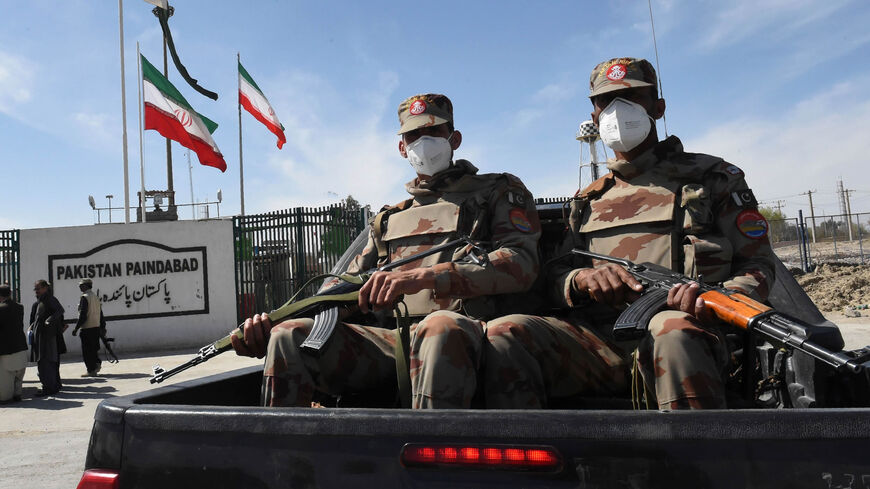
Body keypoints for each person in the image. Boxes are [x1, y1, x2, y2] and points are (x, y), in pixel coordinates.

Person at [485, 57, 776, 410]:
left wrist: (713, 302)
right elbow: (555, 274)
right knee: (505, 332)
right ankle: (527, 455)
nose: (618, 110)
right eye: (606, 102)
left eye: (633, 97)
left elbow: (758, 264)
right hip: (600, 342)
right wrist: (582, 278)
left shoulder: (713, 177)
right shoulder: (588, 199)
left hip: (693, 333)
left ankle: (699, 460)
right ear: (594, 116)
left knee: (672, 330)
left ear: (658, 107)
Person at [232, 93, 542, 408]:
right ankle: (286, 453)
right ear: (402, 147)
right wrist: (268, 323)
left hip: (476, 338)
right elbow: (339, 291)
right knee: (288, 335)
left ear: (455, 138)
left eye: (433, 132)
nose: (424, 141)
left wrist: (426, 277)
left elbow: (522, 263)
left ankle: (426, 453)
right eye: (413, 135)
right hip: (394, 344)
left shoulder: (496, 193)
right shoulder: (388, 220)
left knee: (439, 328)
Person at [29, 279, 66, 396]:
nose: (36, 291)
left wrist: (49, 320)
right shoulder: (41, 301)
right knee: (45, 361)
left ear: (45, 288)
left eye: (38, 289)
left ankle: (49, 387)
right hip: (42, 336)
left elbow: (60, 310)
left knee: (47, 362)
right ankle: (51, 386)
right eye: (35, 289)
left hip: (47, 337)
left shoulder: (49, 299)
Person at [72, 278, 106, 377]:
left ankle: (91, 370)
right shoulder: (95, 297)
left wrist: (76, 328)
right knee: (94, 349)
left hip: (87, 328)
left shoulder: (85, 297)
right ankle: (96, 364)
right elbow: (101, 314)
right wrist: (103, 327)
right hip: (96, 327)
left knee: (87, 351)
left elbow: (83, 314)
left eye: (81, 285)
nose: (79, 287)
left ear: (86, 286)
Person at [0, 284, 27, 404]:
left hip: (6, 349)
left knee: (6, 377)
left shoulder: (1, 308)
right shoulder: (20, 307)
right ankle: (18, 394)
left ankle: (6, 398)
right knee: (19, 375)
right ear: (10, 294)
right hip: (20, 345)